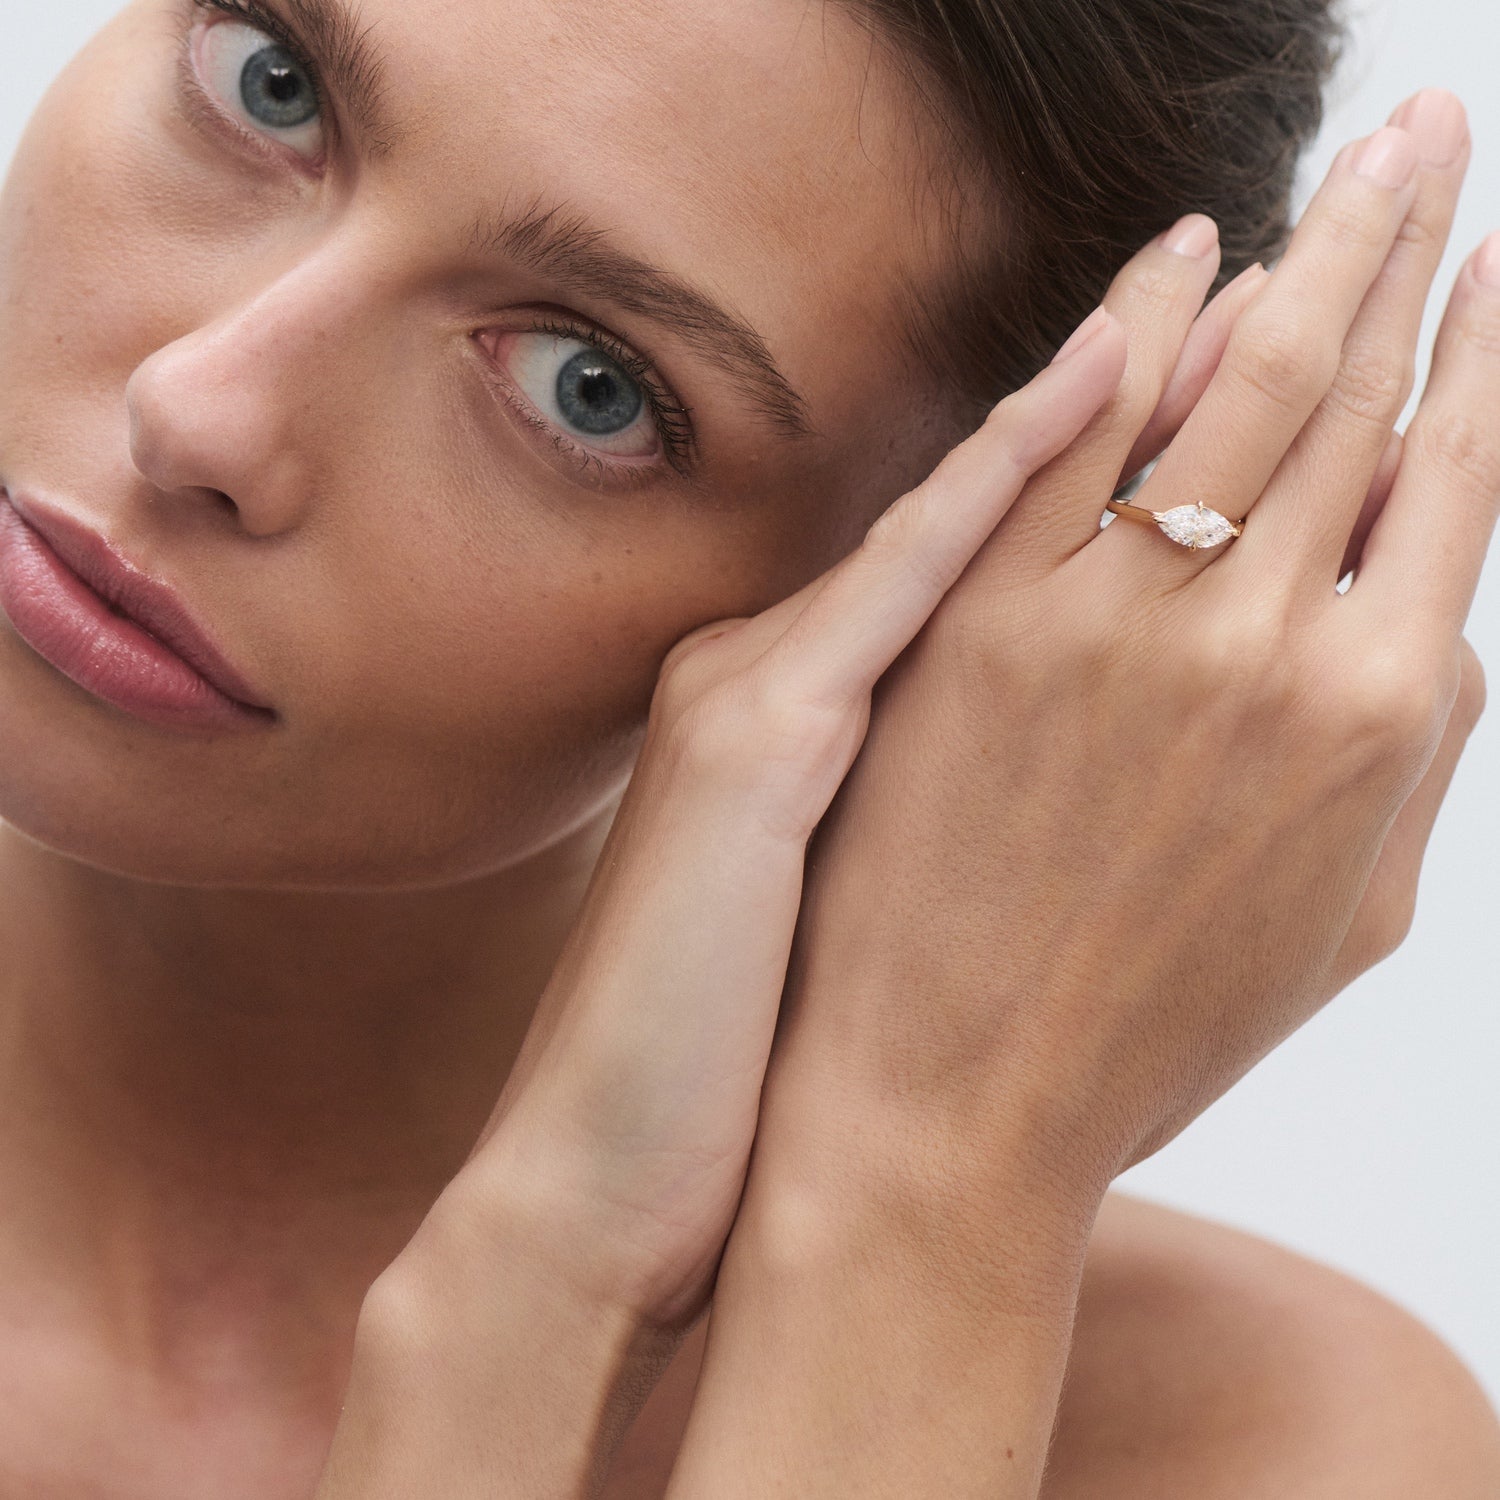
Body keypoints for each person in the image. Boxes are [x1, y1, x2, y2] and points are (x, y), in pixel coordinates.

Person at [0, 1, 1496, 1495]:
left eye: (586, 386)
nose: (195, 408)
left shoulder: (1261, 1451)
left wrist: (921, 1196)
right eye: (272, 87)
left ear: (956, 588)